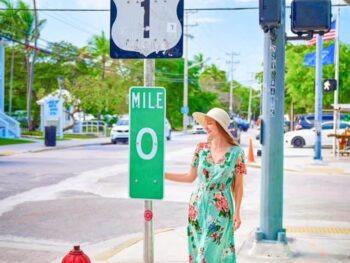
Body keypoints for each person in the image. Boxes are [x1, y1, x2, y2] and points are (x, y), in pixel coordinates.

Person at [165, 108, 247, 263]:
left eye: (210, 123)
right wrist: (163, 175)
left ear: (220, 126)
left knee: (208, 253)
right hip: (197, 207)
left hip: (220, 210)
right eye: (205, 123)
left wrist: (237, 213)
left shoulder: (237, 153)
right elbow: (189, 177)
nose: (205, 127)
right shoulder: (201, 149)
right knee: (197, 250)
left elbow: (238, 186)